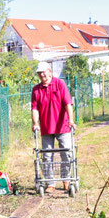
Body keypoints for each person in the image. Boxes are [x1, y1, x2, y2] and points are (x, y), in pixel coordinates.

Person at [31, 61, 76, 193]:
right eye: (39, 73)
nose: (41, 75)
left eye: (43, 72)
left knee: (66, 153)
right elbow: (34, 109)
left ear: (49, 71)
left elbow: (68, 103)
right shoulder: (36, 89)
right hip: (46, 128)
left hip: (62, 126)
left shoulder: (60, 84)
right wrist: (35, 123)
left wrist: (71, 120)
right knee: (46, 156)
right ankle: (50, 183)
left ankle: (66, 180)